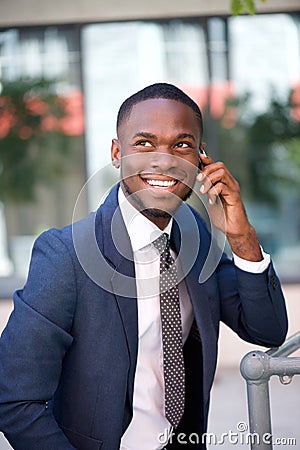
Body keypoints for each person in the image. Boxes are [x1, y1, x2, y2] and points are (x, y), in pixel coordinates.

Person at [0, 83, 288, 450]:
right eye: (145, 144)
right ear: (117, 153)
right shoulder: (66, 254)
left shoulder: (194, 238)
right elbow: (14, 399)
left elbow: (267, 329)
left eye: (181, 145)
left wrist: (241, 235)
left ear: (201, 159)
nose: (164, 160)